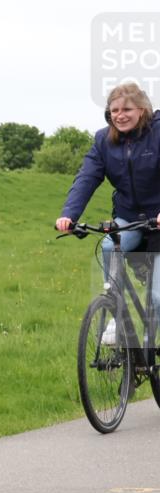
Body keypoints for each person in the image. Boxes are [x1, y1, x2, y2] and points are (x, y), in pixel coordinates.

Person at [56, 83, 160, 343]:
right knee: (108, 244)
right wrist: (69, 215)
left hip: (158, 218)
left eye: (127, 109)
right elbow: (86, 178)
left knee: (158, 297)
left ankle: (152, 345)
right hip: (129, 216)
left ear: (142, 110)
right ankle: (117, 315)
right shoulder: (104, 141)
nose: (120, 115)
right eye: (114, 110)